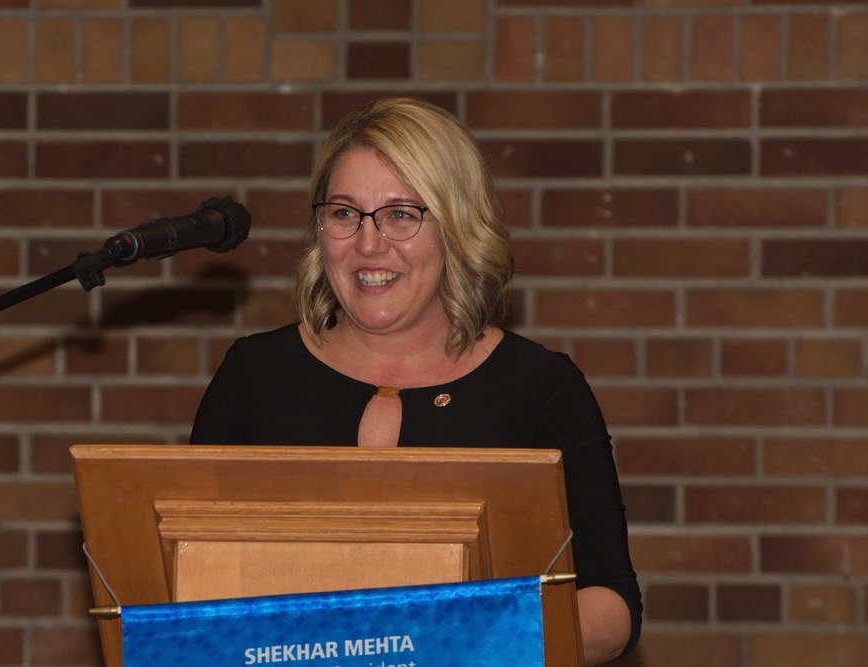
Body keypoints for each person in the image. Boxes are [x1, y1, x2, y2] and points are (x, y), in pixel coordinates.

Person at [191, 97, 641, 664]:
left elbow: (611, 611)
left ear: (457, 227)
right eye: (344, 213)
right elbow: (188, 582)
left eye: (401, 214)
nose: (368, 244)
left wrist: (442, 638)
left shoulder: (541, 389)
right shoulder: (255, 376)